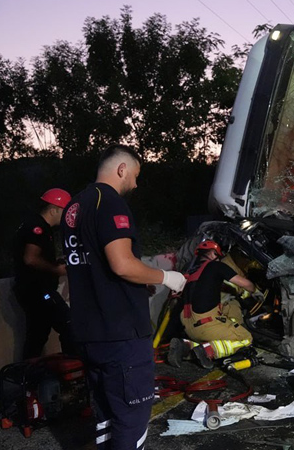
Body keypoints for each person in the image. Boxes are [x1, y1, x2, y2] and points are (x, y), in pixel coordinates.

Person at [62, 144, 187, 450]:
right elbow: (121, 264)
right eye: (135, 175)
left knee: (106, 415)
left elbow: (92, 263)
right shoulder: (111, 203)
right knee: (131, 418)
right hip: (121, 333)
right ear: (121, 169)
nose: (135, 183)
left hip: (89, 332)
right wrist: (166, 277)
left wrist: (137, 283)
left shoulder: (74, 207)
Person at [168, 240, 257, 369]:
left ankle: (185, 345)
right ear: (212, 253)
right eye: (218, 256)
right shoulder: (216, 266)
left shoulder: (189, 273)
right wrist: (256, 290)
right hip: (207, 326)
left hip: (188, 327)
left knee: (212, 335)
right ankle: (209, 350)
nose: (218, 259)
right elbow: (246, 284)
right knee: (246, 339)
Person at [13, 188, 76, 359]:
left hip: (33, 290)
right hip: (40, 291)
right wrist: (56, 269)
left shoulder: (36, 225)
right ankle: (71, 367)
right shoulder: (37, 227)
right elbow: (30, 259)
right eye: (64, 211)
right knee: (68, 323)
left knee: (37, 335)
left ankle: (27, 378)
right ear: (54, 209)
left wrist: (56, 262)